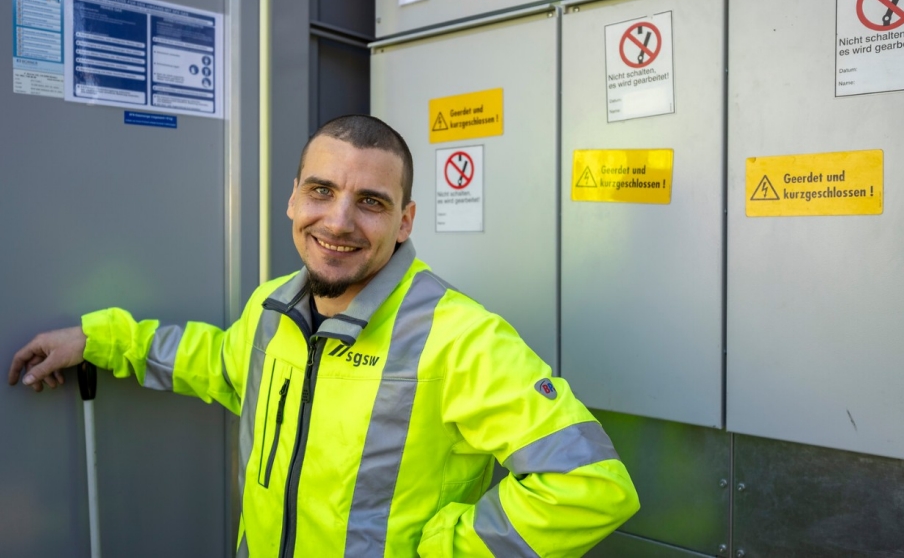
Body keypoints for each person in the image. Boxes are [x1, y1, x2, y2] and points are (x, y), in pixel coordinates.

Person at [8, 114, 639, 557]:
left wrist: (440, 551)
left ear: (404, 221)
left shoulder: (460, 337)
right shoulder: (273, 307)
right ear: (293, 200)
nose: (337, 222)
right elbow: (218, 363)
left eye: (370, 201)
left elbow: (590, 486)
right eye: (321, 191)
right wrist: (96, 341)